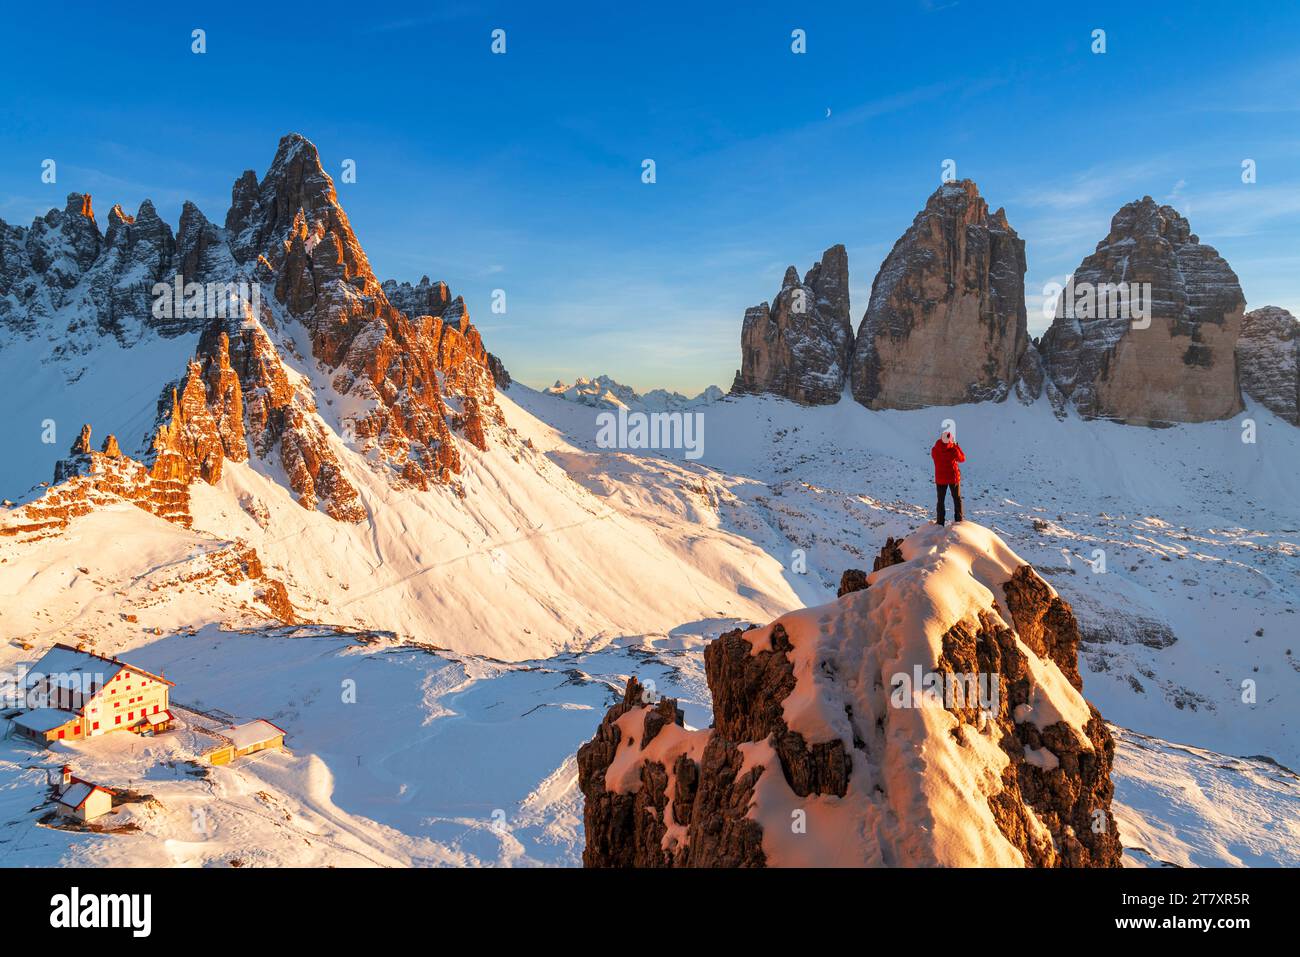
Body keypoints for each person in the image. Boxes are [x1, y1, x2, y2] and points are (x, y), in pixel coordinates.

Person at [930, 430, 965, 525]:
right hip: (953, 478)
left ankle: (940, 522)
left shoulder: (935, 449)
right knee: (957, 499)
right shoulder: (953, 450)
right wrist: (956, 445)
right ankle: (959, 520)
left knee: (940, 501)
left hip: (940, 479)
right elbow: (962, 458)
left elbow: (935, 456)